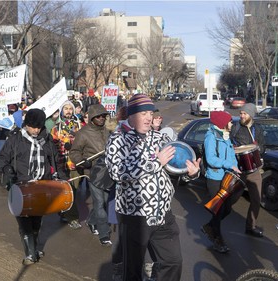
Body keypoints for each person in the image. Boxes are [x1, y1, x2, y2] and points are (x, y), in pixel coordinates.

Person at [105, 94, 201, 281]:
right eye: (143, 113)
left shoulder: (159, 138)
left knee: (173, 262)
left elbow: (175, 169)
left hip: (163, 214)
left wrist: (191, 172)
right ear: (131, 116)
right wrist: (154, 163)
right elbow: (117, 173)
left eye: (150, 113)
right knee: (133, 270)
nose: (148, 117)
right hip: (135, 216)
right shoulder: (118, 140)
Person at [0, 108, 59, 265]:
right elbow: (1, 158)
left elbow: (56, 161)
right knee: (24, 221)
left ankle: (34, 248)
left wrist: (61, 179)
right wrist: (7, 169)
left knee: (37, 221)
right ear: (26, 125)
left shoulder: (47, 139)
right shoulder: (15, 139)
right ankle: (30, 254)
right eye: (33, 127)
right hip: (21, 186)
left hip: (42, 186)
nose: (36, 130)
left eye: (39, 127)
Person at [69, 104, 111, 246]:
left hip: (106, 172)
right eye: (98, 116)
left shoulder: (107, 131)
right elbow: (74, 152)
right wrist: (82, 162)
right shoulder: (83, 133)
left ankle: (91, 221)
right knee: (99, 203)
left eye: (103, 116)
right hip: (92, 172)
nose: (101, 119)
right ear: (92, 118)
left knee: (104, 201)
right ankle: (104, 234)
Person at [201, 111, 241, 253]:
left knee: (227, 209)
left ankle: (209, 227)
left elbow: (231, 155)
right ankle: (218, 241)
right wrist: (229, 165)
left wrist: (235, 167)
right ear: (223, 123)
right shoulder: (211, 137)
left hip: (227, 177)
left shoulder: (226, 137)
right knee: (218, 211)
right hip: (214, 178)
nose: (231, 124)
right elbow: (211, 159)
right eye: (230, 122)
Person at [230, 103, 265, 238]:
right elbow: (229, 145)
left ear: (251, 115)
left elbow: (263, 147)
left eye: (244, 113)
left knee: (256, 200)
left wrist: (258, 148)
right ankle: (215, 222)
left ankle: (251, 226)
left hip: (254, 170)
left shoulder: (258, 129)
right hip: (239, 170)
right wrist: (237, 147)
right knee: (231, 199)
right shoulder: (236, 128)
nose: (242, 116)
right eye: (241, 113)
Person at [50, 100, 83, 229]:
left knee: (73, 190)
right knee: (67, 190)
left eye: (70, 108)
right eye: (66, 108)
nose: (68, 111)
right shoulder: (56, 127)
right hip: (62, 163)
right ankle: (72, 217)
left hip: (75, 163)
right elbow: (52, 145)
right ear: (61, 111)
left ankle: (66, 212)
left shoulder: (79, 126)